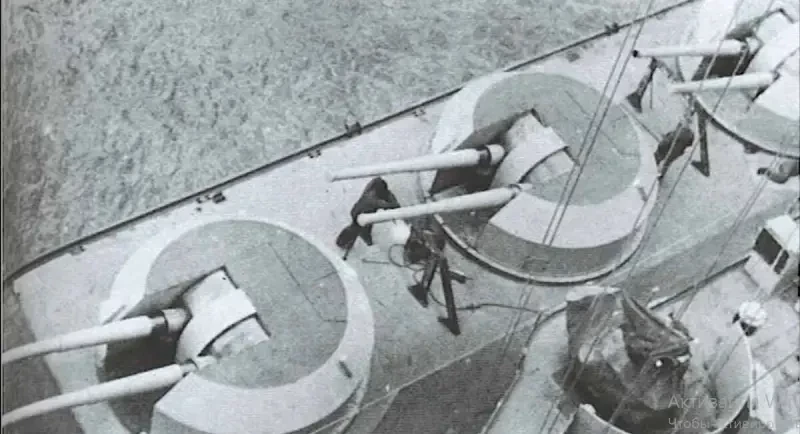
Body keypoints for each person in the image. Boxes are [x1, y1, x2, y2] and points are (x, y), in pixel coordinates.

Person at [336, 177, 400, 258]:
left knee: (359, 229)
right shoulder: (371, 200)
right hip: (363, 214)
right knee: (361, 230)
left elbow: (391, 205)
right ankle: (345, 242)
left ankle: (345, 242)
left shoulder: (373, 194)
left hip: (361, 212)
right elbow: (390, 205)